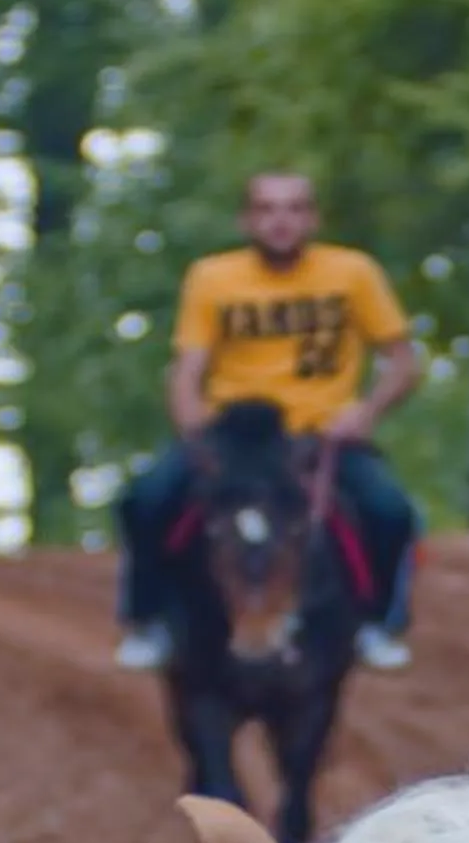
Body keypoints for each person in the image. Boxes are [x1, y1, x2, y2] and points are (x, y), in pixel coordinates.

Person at [114, 171, 426, 673]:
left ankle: (377, 622)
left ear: (313, 218)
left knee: (390, 510)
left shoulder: (353, 272)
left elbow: (403, 360)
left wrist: (365, 412)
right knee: (146, 498)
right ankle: (146, 618)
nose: (281, 221)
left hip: (320, 432)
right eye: (267, 209)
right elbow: (187, 370)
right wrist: (194, 431)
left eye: (294, 208)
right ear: (246, 220)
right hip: (234, 432)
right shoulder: (212, 277)